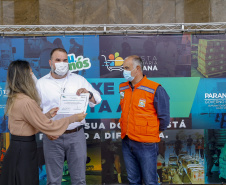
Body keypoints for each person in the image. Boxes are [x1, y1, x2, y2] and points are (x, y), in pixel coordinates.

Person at [0, 60, 86, 185]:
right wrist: (73, 118)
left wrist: (46, 116)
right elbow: (47, 126)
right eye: (31, 72)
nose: (33, 76)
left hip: (19, 149)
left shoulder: (15, 98)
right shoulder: (26, 101)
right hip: (23, 152)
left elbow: (27, 124)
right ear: (24, 77)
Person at [36, 48, 102, 185]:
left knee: (79, 180)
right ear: (50, 62)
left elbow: (97, 98)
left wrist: (88, 93)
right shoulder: (41, 83)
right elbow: (36, 112)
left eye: (65, 60)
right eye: (58, 60)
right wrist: (46, 128)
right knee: (53, 181)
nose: (62, 63)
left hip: (76, 134)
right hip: (52, 136)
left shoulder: (79, 80)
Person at [119, 55, 170, 185]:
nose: (124, 71)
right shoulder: (123, 88)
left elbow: (164, 118)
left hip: (146, 144)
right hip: (127, 141)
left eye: (126, 68)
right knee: (133, 180)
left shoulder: (155, 88)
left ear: (137, 69)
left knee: (150, 181)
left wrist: (151, 132)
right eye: (123, 68)